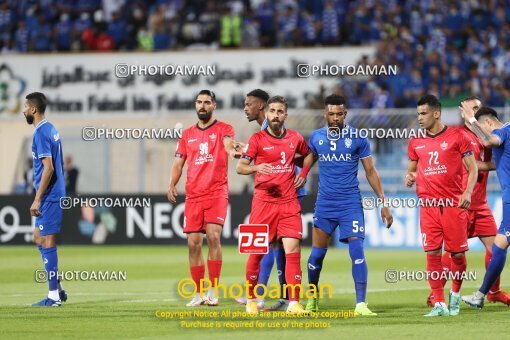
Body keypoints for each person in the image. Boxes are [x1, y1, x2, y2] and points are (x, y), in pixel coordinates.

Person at [303, 94, 393, 316]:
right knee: (316, 255)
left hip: (350, 204)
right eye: (331, 114)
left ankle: (361, 304)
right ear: (325, 114)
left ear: (345, 114)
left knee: (356, 249)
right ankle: (312, 298)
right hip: (325, 203)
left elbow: (370, 171)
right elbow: (308, 158)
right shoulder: (316, 138)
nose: (335, 118)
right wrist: (303, 173)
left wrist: (383, 201)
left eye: (339, 114)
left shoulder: (358, 138)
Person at [426, 97, 510, 306]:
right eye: (473, 110)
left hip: (480, 203)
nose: (477, 113)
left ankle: (493, 291)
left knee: (496, 248)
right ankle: (434, 294)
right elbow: (472, 165)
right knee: (455, 251)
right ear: (464, 114)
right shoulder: (457, 136)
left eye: (479, 109)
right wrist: (496, 165)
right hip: (461, 200)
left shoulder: (486, 135)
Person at [237, 95, 313, 315]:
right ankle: (252, 299)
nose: (276, 115)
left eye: (280, 112)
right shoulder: (257, 139)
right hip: (263, 203)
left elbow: (309, 156)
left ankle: (294, 303)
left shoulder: (295, 138)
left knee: (293, 250)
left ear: (285, 115)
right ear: (267, 114)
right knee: (257, 253)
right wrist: (256, 168)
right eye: (272, 111)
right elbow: (241, 167)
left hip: (289, 203)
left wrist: (305, 173)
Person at [406, 94, 477, 317]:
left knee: (456, 255)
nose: (419, 118)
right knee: (433, 252)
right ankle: (439, 303)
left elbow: (473, 168)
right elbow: (412, 168)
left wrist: (467, 192)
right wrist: (409, 176)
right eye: (418, 114)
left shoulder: (458, 137)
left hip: (453, 206)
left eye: (423, 113)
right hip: (428, 206)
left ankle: (454, 296)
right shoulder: (416, 141)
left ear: (436, 113)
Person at [168, 90, 239, 307]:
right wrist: (172, 183)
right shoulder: (187, 134)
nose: (202, 106)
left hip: (216, 192)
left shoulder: (224, 128)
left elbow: (228, 143)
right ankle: (198, 293)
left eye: (206, 102)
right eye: (199, 102)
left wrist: (232, 150)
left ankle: (213, 290)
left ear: (214, 106)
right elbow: (179, 163)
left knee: (214, 237)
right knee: (193, 244)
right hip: (194, 195)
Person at [460, 105, 510, 308]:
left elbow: (489, 141)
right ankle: (481, 295)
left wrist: (472, 120)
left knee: (499, 246)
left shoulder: (502, 131)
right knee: (498, 247)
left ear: (488, 123)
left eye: (481, 128)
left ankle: (481, 295)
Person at [24, 92, 67, 307]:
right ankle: (58, 288)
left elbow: (48, 168)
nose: (23, 110)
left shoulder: (40, 133)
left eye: (25, 106)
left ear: (33, 109)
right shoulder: (50, 128)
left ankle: (53, 296)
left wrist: (37, 199)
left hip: (49, 195)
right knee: (38, 238)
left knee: (47, 240)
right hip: (54, 192)